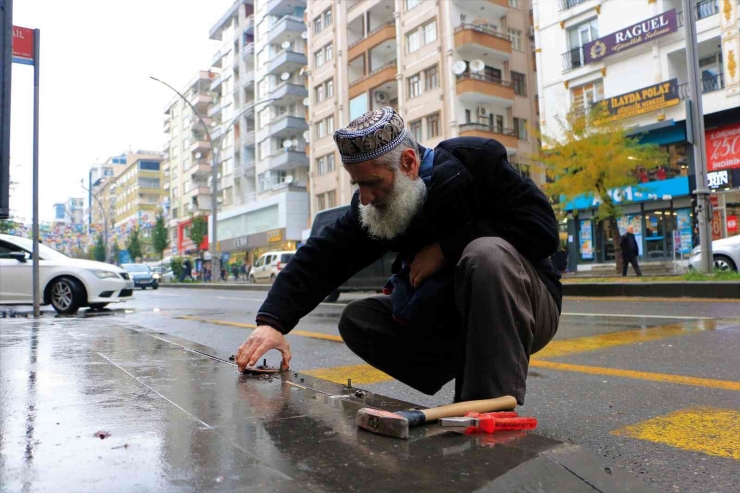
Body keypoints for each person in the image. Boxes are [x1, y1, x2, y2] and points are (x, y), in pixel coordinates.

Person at [235, 107, 561, 405]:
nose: (364, 197)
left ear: (408, 162)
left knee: (485, 253)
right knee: (359, 319)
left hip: (528, 304)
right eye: (357, 184)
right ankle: (479, 365)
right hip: (456, 315)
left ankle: (487, 404)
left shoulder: (475, 162)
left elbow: (542, 231)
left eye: (372, 183)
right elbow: (321, 257)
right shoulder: (378, 202)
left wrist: (446, 249)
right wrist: (272, 323)